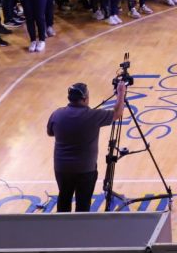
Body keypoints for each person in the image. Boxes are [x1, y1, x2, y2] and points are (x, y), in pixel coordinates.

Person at [47, 79, 127, 212]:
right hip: (85, 170)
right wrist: (121, 92)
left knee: (64, 198)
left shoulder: (57, 114)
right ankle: (81, 225)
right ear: (84, 99)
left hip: (62, 168)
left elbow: (50, 133)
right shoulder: (93, 116)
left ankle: (61, 224)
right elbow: (117, 113)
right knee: (83, 204)